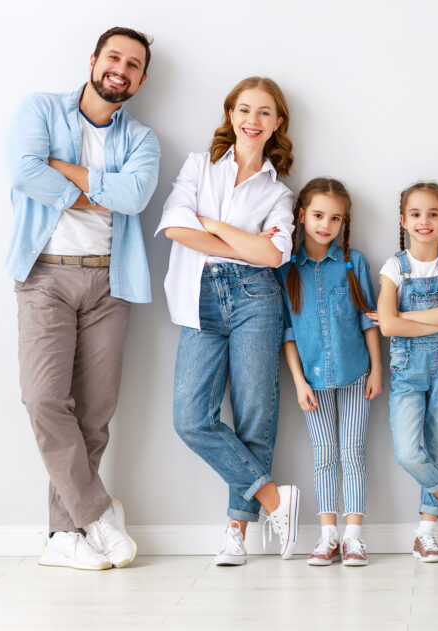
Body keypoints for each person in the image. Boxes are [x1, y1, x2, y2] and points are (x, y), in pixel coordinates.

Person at [6, 27, 160, 570]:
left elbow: (135, 196)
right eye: (113, 57)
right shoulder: (41, 110)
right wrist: (100, 188)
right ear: (94, 60)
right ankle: (97, 516)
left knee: (94, 415)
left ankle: (61, 537)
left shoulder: (141, 140)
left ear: (140, 80)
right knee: (44, 399)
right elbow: (25, 172)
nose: (121, 68)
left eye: (134, 65)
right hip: (44, 276)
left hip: (108, 284)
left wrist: (67, 174)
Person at [156, 77, 300, 566]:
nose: (252, 120)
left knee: (255, 413)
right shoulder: (199, 166)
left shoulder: (280, 191)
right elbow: (175, 226)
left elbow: (274, 254)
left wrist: (213, 225)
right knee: (190, 418)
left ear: (277, 122)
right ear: (230, 114)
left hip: (256, 299)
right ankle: (273, 498)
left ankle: (236, 530)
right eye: (244, 110)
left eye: (264, 112)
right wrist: (244, 243)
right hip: (199, 299)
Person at [279, 178, 383, 567]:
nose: (326, 224)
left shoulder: (354, 263)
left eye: (335, 218)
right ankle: (328, 537)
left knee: (353, 453)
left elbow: (368, 319)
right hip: (313, 383)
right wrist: (299, 381)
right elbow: (287, 332)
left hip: (357, 375)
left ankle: (354, 538)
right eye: (319, 215)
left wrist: (376, 370)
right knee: (324, 455)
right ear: (302, 215)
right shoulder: (286, 268)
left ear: (344, 222)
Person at [374, 182, 438, 562]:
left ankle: (425, 532)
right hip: (406, 370)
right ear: (403, 221)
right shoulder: (393, 266)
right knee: (408, 452)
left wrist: (403, 316)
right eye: (416, 214)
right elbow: (386, 328)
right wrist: (431, 320)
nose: (424, 221)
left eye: (433, 214)